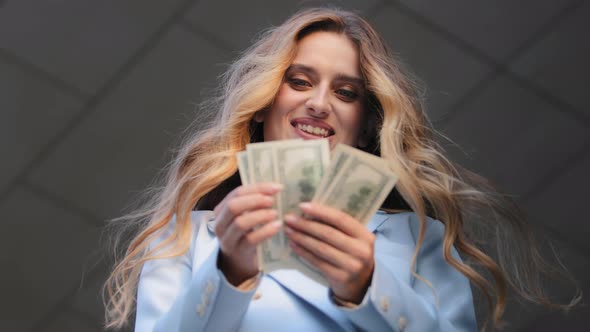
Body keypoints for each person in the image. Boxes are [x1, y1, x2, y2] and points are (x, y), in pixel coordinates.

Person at [103, 7, 579, 332]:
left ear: (367, 127)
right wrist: (228, 272)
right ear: (264, 105)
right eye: (299, 81)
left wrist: (368, 287)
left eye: (346, 92)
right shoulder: (185, 237)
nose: (318, 103)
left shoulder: (417, 240)